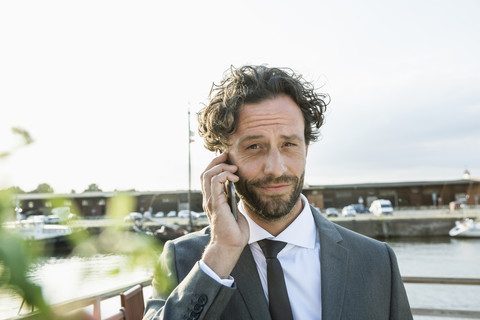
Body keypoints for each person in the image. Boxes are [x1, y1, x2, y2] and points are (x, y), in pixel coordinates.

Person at [143, 65, 413, 320]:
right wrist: (221, 253)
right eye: (254, 147)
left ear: (306, 148)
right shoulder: (184, 259)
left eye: (288, 144)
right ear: (222, 159)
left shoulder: (377, 261)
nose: (275, 168)